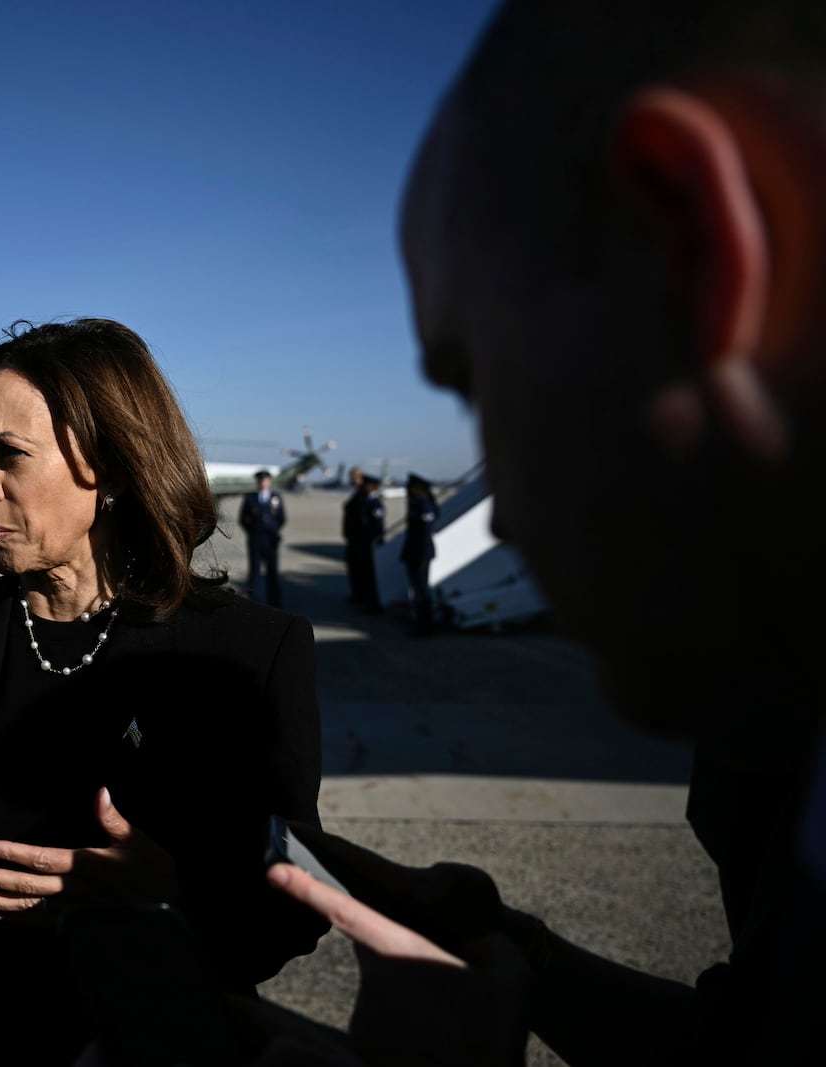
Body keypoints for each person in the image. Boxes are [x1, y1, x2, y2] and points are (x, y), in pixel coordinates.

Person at [267, 1, 826, 1062]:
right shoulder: (770, 737)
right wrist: (510, 949)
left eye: (480, 380)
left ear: (708, 250)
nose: (505, 511)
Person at [0, 318, 326, 1065]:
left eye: (8, 455)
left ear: (115, 468)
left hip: (148, 1040)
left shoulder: (249, 651)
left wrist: (171, 890)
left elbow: (290, 909)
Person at [238, 469, 285, 607]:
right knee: (254, 570)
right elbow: (242, 519)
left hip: (271, 540)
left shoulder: (275, 497)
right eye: (260, 480)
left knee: (272, 570)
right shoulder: (250, 498)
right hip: (255, 539)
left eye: (265, 480)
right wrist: (252, 531)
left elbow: (281, 518)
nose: (263, 483)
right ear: (258, 482)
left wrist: (274, 530)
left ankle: (275, 600)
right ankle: (255, 600)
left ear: (269, 481)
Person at [399, 473, 437, 636]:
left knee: (422, 591)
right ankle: (420, 623)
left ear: (418, 489)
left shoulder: (424, 505)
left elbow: (425, 534)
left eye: (410, 487)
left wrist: (423, 556)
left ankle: (425, 626)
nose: (407, 489)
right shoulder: (415, 504)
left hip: (420, 555)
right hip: (414, 553)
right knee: (417, 589)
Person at [341, 470, 384, 612]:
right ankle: (360, 597)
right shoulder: (360, 497)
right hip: (356, 540)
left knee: (368, 574)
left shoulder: (372, 501)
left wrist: (374, 542)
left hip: (366, 544)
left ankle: (371, 602)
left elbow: (377, 526)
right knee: (356, 570)